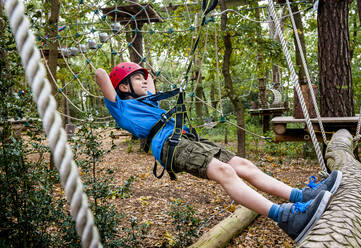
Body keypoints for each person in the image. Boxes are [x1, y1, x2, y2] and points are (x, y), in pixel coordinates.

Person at [95, 62, 342, 243]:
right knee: (224, 171)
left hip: (187, 137)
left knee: (244, 165)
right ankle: (286, 218)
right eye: (137, 79)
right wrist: (123, 81)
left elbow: (148, 89)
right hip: (170, 147)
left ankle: (302, 197)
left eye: (144, 78)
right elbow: (101, 75)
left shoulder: (149, 102)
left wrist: (147, 86)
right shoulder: (121, 107)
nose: (144, 82)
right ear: (124, 86)